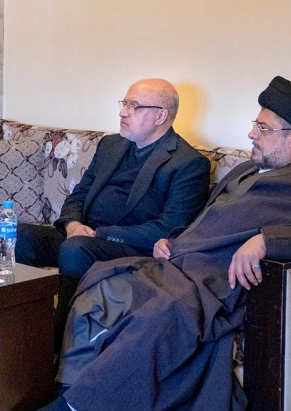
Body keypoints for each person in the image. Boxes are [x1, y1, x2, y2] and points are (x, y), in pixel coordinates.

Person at [6, 76, 291, 411]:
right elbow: (201, 220)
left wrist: (267, 241)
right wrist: (171, 240)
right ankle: (66, 384)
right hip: (177, 262)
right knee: (102, 281)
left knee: (159, 313)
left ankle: (71, 409)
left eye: (263, 128)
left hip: (214, 283)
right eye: (256, 124)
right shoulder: (248, 169)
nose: (251, 134)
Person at [16, 78, 210, 350]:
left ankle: (56, 348)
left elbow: (171, 228)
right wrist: (72, 224)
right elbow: (79, 194)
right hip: (83, 237)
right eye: (124, 103)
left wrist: (101, 234)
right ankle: (17, 336)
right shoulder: (110, 145)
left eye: (134, 106)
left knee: (75, 249)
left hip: (128, 249)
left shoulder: (188, 164)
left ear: (160, 116)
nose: (123, 112)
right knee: (19, 235)